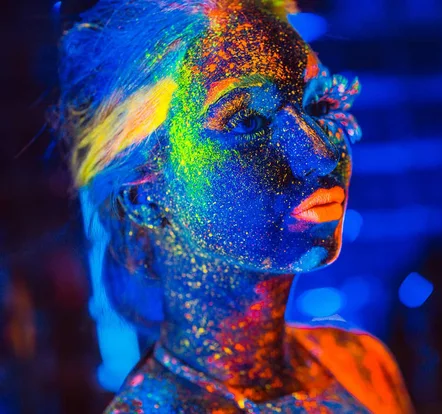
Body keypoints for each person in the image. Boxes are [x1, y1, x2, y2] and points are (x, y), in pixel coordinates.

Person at [57, 0, 413, 412]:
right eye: (246, 120)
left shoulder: (362, 364)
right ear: (144, 195)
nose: (321, 153)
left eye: (318, 106)